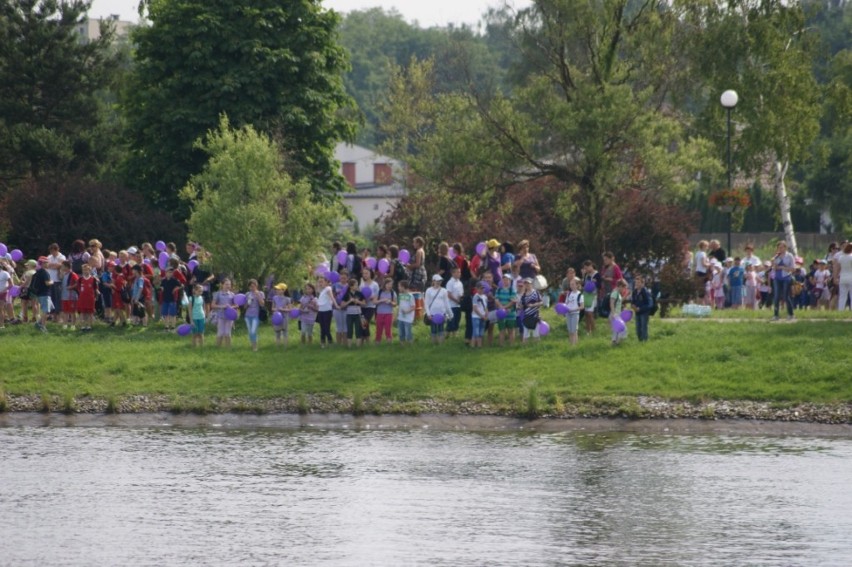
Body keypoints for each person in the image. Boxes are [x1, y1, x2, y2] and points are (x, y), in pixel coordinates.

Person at [771, 241, 796, 321]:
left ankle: (790, 314)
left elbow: (793, 269)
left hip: (786, 277)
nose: (780, 249)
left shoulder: (789, 256)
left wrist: (782, 267)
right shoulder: (776, 256)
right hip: (777, 278)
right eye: (779, 247)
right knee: (776, 296)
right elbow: (774, 268)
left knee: (786, 296)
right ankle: (776, 314)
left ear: (785, 248)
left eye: (782, 247)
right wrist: (774, 262)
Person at [424, 273, 452, 344]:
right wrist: (428, 314)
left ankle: (441, 344)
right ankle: (434, 343)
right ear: (433, 281)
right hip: (432, 314)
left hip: (442, 313)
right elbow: (426, 303)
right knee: (433, 330)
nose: (439, 282)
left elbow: (446, 303)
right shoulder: (428, 290)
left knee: (441, 329)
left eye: (440, 281)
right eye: (437, 280)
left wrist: (450, 314)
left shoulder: (444, 290)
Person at [341, 277, 366, 348]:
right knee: (350, 329)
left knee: (358, 329)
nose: (357, 286)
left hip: (358, 314)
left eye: (357, 285)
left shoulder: (360, 293)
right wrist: (349, 301)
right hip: (349, 314)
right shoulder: (347, 294)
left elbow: (364, 303)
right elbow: (342, 305)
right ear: (351, 286)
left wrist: (358, 301)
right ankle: (349, 347)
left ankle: (358, 347)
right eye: (355, 285)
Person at [31, 257, 53, 332]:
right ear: (43, 263)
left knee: (49, 309)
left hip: (40, 293)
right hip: (45, 294)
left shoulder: (38, 272)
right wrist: (52, 282)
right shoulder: (44, 272)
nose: (48, 263)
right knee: (45, 311)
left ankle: (38, 323)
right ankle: (43, 326)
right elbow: (47, 283)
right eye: (46, 262)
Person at [212, 278, 236, 347]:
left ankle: (228, 349)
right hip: (220, 316)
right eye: (226, 284)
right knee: (220, 332)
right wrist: (222, 306)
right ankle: (217, 348)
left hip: (229, 317)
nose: (228, 286)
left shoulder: (232, 294)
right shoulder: (218, 294)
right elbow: (213, 305)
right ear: (222, 285)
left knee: (228, 333)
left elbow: (236, 305)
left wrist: (231, 307)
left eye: (229, 284)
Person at [495, 272, 517, 346]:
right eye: (504, 279)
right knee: (502, 330)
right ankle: (501, 345)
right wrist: (500, 306)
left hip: (511, 314)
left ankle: (512, 345)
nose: (505, 281)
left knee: (511, 330)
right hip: (501, 314)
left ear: (510, 281)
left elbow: (512, 301)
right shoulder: (498, 290)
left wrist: (504, 307)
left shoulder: (512, 290)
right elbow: (496, 299)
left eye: (507, 279)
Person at [519, 277, 543, 342]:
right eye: (525, 283)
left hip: (535, 316)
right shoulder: (523, 295)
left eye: (528, 283)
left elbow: (541, 302)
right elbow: (521, 306)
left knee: (536, 335)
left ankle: (537, 349)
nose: (527, 285)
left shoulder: (536, 293)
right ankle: (524, 350)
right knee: (525, 335)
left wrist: (533, 305)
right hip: (526, 317)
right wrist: (518, 306)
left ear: (531, 284)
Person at [244, 279, 265, 351]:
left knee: (253, 331)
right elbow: (245, 307)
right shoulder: (247, 294)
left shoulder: (261, 293)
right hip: (247, 315)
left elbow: (262, 304)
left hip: (256, 315)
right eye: (251, 286)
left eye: (254, 286)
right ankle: (253, 344)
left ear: (256, 286)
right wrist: (248, 301)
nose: (252, 288)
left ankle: (255, 347)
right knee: (250, 332)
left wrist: (258, 296)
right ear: (249, 287)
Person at [76, 264, 98, 332]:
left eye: (87, 270)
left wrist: (96, 297)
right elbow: (78, 288)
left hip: (90, 298)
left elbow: (96, 289)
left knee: (90, 313)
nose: (85, 271)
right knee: (83, 313)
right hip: (82, 299)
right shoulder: (80, 279)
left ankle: (89, 326)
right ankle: (83, 326)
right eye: (84, 270)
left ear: (90, 270)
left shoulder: (93, 279)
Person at [631, 275, 653, 342]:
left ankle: (645, 341)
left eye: (638, 283)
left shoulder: (645, 292)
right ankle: (640, 341)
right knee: (638, 328)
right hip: (637, 312)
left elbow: (649, 304)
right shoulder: (634, 292)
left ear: (642, 283)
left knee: (643, 327)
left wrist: (640, 309)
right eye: (636, 283)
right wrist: (633, 306)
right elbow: (633, 301)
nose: (636, 284)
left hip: (644, 312)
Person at [581, 260, 600, 335]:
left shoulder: (596, 274)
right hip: (586, 295)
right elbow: (584, 284)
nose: (586, 270)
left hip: (593, 295)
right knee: (586, 313)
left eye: (586, 268)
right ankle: (588, 330)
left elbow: (599, 285)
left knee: (590, 312)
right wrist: (583, 276)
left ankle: (594, 329)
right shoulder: (586, 275)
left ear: (591, 266)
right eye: (584, 268)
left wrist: (595, 283)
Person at [374, 277, 396, 343]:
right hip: (379, 313)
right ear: (385, 284)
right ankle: (377, 341)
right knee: (379, 329)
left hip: (389, 313)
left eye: (391, 284)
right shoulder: (379, 291)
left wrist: (390, 302)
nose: (389, 286)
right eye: (388, 284)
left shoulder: (393, 293)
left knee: (388, 329)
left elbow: (395, 304)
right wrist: (381, 300)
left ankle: (389, 342)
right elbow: (374, 302)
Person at [58, 261, 79, 329]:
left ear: (67, 267)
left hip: (71, 296)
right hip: (64, 296)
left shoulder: (73, 274)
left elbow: (78, 283)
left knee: (72, 311)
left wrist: (71, 287)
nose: (61, 267)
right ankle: (65, 324)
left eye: (62, 266)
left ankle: (73, 325)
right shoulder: (64, 274)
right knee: (65, 311)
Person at [316, 274, 335, 348]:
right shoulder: (322, 291)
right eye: (319, 282)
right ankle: (322, 342)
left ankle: (330, 342)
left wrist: (336, 305)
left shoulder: (328, 288)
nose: (320, 283)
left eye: (322, 282)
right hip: (320, 311)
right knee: (322, 328)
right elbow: (317, 288)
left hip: (327, 311)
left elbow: (332, 298)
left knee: (327, 328)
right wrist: (318, 281)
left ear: (326, 282)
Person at [445, 266, 464, 339]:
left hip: (458, 305)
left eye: (459, 272)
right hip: (451, 305)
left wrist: (461, 300)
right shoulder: (450, 282)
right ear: (453, 273)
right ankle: (446, 335)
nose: (459, 273)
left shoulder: (460, 283)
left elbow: (461, 294)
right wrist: (457, 301)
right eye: (457, 272)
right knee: (451, 321)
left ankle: (454, 335)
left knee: (457, 320)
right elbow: (449, 294)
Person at [271, 283, 291, 347]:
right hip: (277, 318)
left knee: (285, 331)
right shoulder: (274, 298)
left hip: (285, 317)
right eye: (276, 289)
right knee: (277, 332)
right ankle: (278, 346)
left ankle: (285, 346)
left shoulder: (287, 299)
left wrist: (283, 309)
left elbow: (290, 309)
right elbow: (272, 308)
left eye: (279, 289)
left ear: (283, 290)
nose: (277, 290)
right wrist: (276, 309)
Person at [833, 241, 852, 311]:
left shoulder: (841, 257)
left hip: (843, 278)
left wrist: (835, 278)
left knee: (842, 296)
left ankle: (840, 310)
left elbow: (837, 268)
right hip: (851, 277)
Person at [564, 277, 583, 345]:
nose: (571, 286)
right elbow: (566, 303)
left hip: (575, 314)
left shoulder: (580, 294)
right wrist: (564, 309)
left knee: (574, 331)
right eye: (570, 284)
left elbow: (582, 306)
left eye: (573, 284)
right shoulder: (569, 294)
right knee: (569, 330)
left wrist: (573, 309)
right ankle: (571, 344)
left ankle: (574, 345)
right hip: (568, 314)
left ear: (577, 285)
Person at [610, 279, 629, 345]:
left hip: (617, 314)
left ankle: (615, 343)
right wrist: (613, 313)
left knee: (616, 330)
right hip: (615, 314)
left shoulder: (618, 294)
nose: (624, 290)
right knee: (622, 328)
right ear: (620, 286)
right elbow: (611, 303)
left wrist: (626, 295)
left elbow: (620, 302)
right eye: (624, 288)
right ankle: (616, 342)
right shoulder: (615, 293)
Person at [396, 280, 415, 345]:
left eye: (399, 286)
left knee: (408, 332)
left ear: (403, 287)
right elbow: (399, 305)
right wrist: (397, 314)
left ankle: (410, 344)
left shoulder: (410, 296)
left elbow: (413, 307)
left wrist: (406, 311)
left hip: (408, 318)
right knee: (401, 332)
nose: (398, 288)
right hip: (400, 317)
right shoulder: (400, 295)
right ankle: (402, 345)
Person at [470, 280, 488, 348]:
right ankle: (473, 346)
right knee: (476, 332)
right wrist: (481, 316)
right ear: (476, 289)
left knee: (481, 332)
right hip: (476, 316)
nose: (482, 290)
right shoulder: (475, 297)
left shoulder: (485, 297)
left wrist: (486, 314)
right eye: (480, 288)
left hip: (483, 316)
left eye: (482, 288)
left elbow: (486, 307)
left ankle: (479, 346)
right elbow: (475, 308)